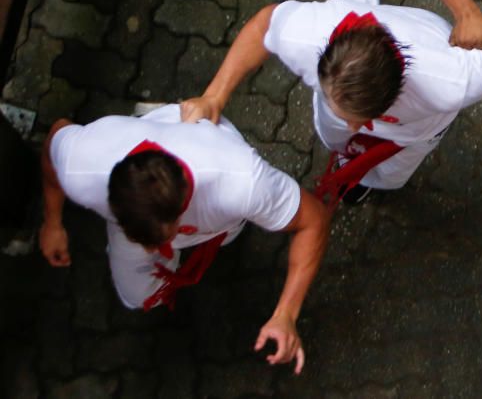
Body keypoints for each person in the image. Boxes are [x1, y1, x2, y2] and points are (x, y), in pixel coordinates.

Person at [181, 0, 482, 204]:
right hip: (355, 28)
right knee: (333, 133)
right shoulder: (308, 34)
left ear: (393, 98)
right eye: (333, 98)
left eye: (357, 117)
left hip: (417, 113)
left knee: (393, 173)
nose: (348, 121)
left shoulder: (451, 78)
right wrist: (215, 95)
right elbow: (265, 23)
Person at [39, 104, 330, 374]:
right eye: (141, 237)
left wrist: (286, 314)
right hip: (170, 188)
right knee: (138, 297)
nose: (153, 250)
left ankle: (180, 118)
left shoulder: (241, 183)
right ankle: (158, 119)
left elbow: (312, 220)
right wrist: (52, 223)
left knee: (229, 235)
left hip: (218, 196)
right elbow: (55, 138)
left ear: (181, 205)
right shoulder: (83, 166)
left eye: (158, 239)